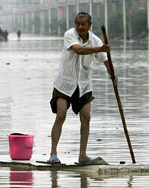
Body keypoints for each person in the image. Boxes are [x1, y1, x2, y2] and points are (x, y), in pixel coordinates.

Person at [48, 12, 117, 165]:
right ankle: (53, 154)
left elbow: (105, 61)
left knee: (86, 117)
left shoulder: (95, 40)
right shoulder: (69, 35)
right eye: (78, 24)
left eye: (83, 24)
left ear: (89, 25)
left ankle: (82, 155)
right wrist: (99, 49)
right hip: (64, 83)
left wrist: (113, 75)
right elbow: (78, 50)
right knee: (61, 115)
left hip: (84, 84)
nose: (80, 27)